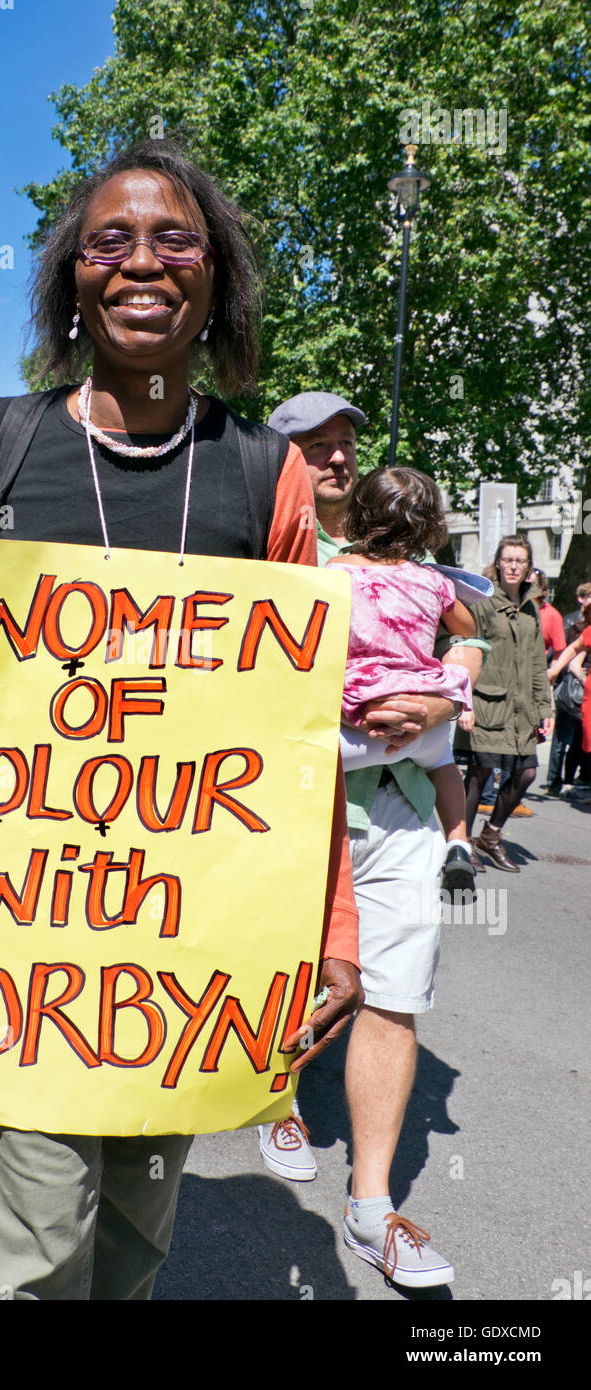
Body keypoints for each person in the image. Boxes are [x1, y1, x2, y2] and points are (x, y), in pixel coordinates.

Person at [0, 139, 363, 1301]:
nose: (142, 262)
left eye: (174, 237)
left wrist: (331, 923)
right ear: (71, 278)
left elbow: (296, 738)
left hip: (181, 969)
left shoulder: (263, 473)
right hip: (12, 950)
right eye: (109, 240)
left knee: (129, 1254)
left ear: (217, 276)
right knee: (23, 1268)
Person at [264, 390, 486, 1287]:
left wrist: (443, 693)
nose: (338, 458)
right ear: (278, 458)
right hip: (297, 805)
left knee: (396, 988)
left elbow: (479, 634)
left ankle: (371, 1205)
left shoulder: (408, 565)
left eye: (348, 443)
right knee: (281, 964)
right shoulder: (265, 548)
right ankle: (276, 1100)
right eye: (316, 445)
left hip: (397, 811)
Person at [326, 467, 476, 897]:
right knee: (444, 762)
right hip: (419, 722)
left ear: (359, 514)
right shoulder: (433, 580)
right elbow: (466, 627)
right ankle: (459, 843)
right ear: (429, 526)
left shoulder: (336, 570)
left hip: (355, 721)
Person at [458, 536, 553, 872]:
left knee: (526, 772)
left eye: (520, 561)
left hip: (522, 708)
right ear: (498, 563)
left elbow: (538, 663)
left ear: (528, 568)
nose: (513, 566)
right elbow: (467, 651)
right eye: (508, 559)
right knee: (479, 774)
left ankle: (492, 834)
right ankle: (462, 844)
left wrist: (545, 708)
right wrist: (464, 702)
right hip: (488, 702)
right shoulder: (482, 603)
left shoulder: (531, 609)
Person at [544, 584, 591, 796]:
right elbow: (573, 649)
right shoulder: (581, 627)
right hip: (582, 696)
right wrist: (554, 670)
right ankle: (558, 781)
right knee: (572, 741)